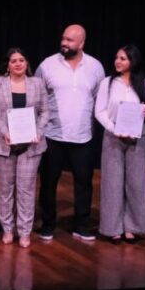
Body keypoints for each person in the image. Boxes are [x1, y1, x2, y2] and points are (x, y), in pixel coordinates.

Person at [34, 24, 105, 243]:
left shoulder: (95, 67)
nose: (64, 43)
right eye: (63, 38)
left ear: (81, 43)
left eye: (70, 40)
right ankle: (47, 224)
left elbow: (99, 97)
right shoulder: (47, 65)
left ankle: (82, 225)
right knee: (48, 182)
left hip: (83, 135)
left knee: (84, 182)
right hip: (52, 135)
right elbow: (37, 96)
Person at [0, 47, 49, 248]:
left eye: (21, 60)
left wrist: (38, 131)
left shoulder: (37, 83)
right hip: (3, 144)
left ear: (27, 63)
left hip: (31, 144)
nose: (18, 64)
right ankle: (7, 229)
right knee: (6, 189)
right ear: (8, 65)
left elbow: (45, 111)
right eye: (13, 61)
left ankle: (25, 231)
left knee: (26, 190)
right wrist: (4, 131)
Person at [94, 44, 145, 244]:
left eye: (123, 58)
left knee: (137, 182)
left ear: (132, 61)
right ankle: (113, 228)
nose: (117, 62)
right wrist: (114, 129)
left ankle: (132, 227)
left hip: (137, 137)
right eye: (116, 58)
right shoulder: (107, 83)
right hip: (114, 136)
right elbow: (99, 111)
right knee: (112, 182)